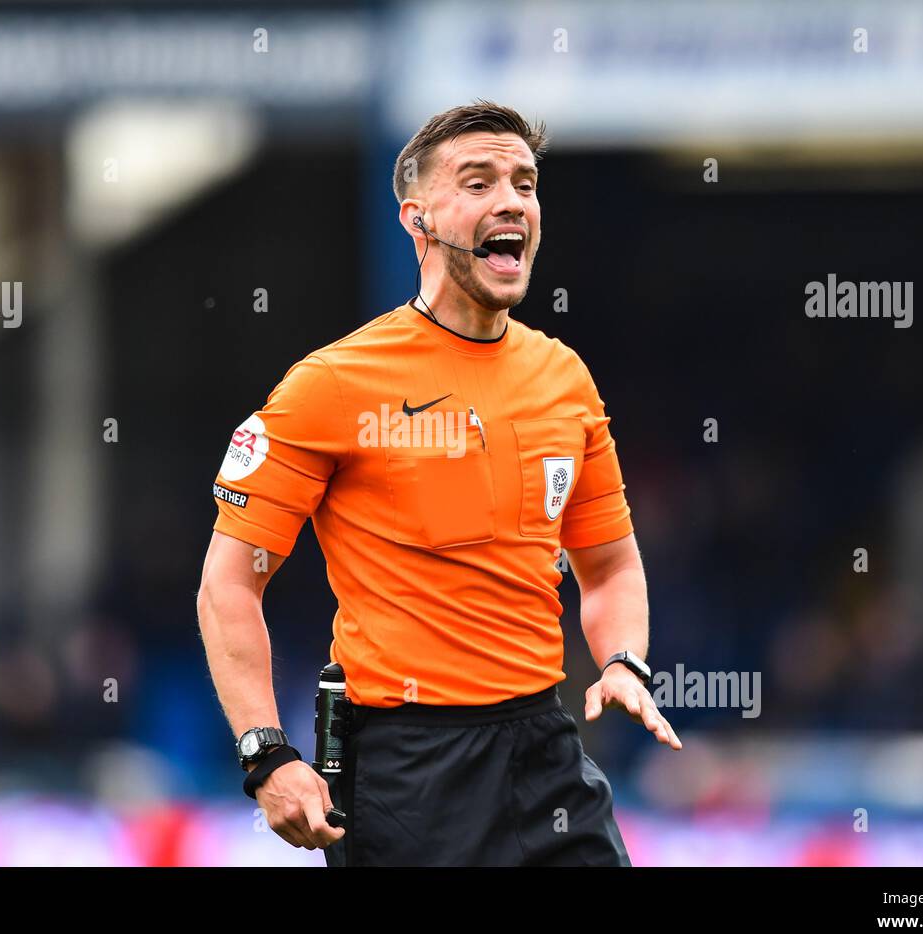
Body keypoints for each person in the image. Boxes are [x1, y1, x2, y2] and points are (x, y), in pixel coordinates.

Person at [198, 100, 681, 866]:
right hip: (406, 775)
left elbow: (611, 562)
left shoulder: (564, 379)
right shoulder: (332, 384)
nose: (511, 201)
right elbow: (229, 584)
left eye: (524, 183)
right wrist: (266, 753)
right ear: (417, 219)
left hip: (544, 751)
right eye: (480, 182)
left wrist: (623, 658)